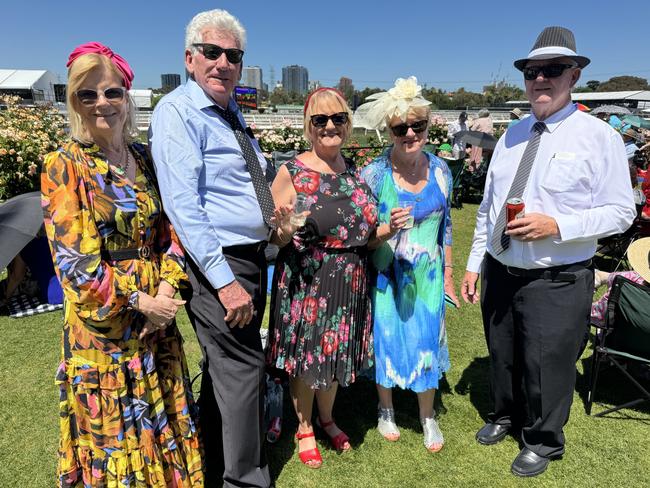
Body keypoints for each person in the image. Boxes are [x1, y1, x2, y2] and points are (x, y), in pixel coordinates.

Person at [460, 26, 636, 477]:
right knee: (502, 353)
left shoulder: (599, 137)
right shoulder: (512, 135)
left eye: (553, 70)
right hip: (502, 267)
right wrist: (475, 260)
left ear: (573, 76)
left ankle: (542, 439)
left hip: (557, 275)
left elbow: (621, 213)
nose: (540, 79)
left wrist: (559, 225)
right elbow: (490, 206)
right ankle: (505, 414)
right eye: (532, 71)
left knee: (547, 363)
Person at [41, 42, 203, 486]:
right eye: (87, 95)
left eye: (111, 92)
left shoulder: (146, 160)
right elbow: (77, 266)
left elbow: (174, 235)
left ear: (126, 96)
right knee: (118, 440)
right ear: (73, 102)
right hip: (105, 334)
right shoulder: (64, 165)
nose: (102, 104)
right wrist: (141, 302)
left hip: (158, 325)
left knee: (163, 423)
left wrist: (167, 293)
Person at [149, 9, 276, 487]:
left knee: (227, 368)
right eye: (212, 52)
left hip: (248, 257)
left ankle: (212, 457)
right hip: (220, 264)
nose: (224, 63)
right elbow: (183, 205)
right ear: (190, 58)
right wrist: (224, 282)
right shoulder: (179, 111)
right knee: (244, 369)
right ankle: (245, 479)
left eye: (234, 55)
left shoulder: (228, 111)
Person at [266, 88, 377, 468]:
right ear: (308, 126)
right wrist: (282, 230)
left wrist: (388, 233)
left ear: (347, 124)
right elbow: (273, 235)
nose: (330, 126)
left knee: (334, 355)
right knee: (308, 357)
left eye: (338, 119)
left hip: (350, 280)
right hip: (308, 282)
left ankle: (327, 419)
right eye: (320, 120)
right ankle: (303, 426)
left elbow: (364, 230)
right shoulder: (292, 171)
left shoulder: (356, 173)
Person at [356, 76, 458, 453]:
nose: (410, 133)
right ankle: (386, 410)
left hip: (428, 276)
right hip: (385, 274)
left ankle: (427, 415)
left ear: (429, 127)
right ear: (389, 130)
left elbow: (446, 227)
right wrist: (385, 228)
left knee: (427, 340)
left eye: (418, 125)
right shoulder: (374, 174)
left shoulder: (442, 171)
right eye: (401, 127)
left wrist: (448, 275)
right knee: (386, 339)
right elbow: (360, 236)